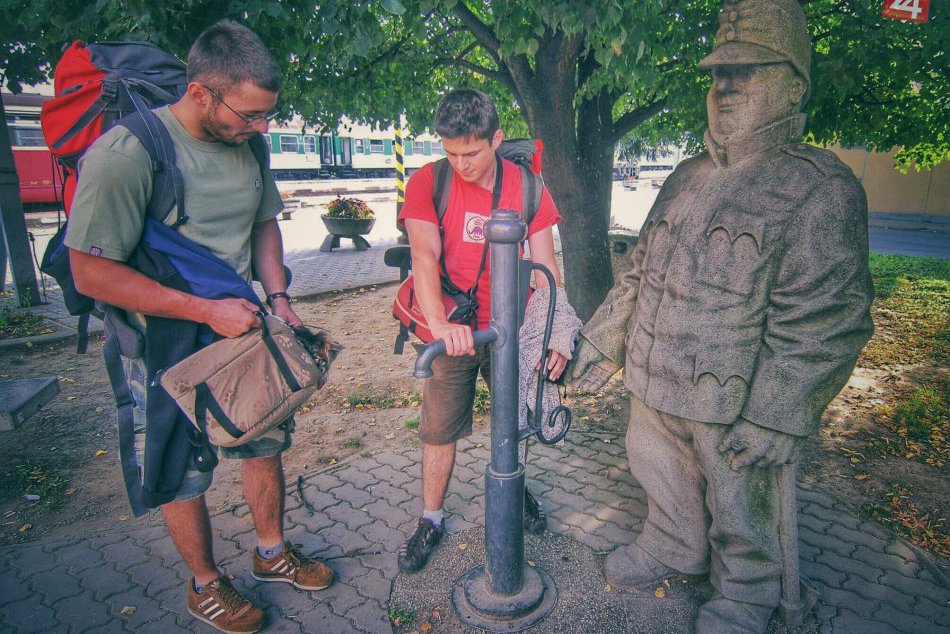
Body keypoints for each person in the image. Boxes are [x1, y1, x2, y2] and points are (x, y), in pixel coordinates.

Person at [569, 1, 874, 632]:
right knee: (657, 469)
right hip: (654, 381)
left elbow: (827, 317)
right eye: (717, 75)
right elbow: (639, 270)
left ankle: (747, 589)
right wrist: (602, 347)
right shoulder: (685, 176)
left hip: (735, 400)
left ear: (793, 86)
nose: (725, 87)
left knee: (742, 505)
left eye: (749, 70)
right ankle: (672, 542)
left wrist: (779, 412)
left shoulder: (821, 188)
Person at [66, 19, 333, 634]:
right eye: (249, 115)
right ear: (201, 94)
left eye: (268, 115)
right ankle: (206, 585)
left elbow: (264, 224)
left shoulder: (252, 146)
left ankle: (271, 553)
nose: (261, 128)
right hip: (162, 340)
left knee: (262, 439)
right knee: (181, 467)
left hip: (241, 330)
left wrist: (280, 295)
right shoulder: (127, 154)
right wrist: (205, 311)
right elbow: (91, 274)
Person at [396, 88, 566, 572]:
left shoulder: (529, 188)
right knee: (438, 428)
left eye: (471, 152)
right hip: (454, 327)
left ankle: (513, 492)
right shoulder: (430, 182)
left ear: (495, 139)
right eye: (451, 152)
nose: (461, 163)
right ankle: (430, 518)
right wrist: (438, 325)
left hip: (509, 329)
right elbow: (424, 255)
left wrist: (551, 333)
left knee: (516, 420)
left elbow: (545, 270)